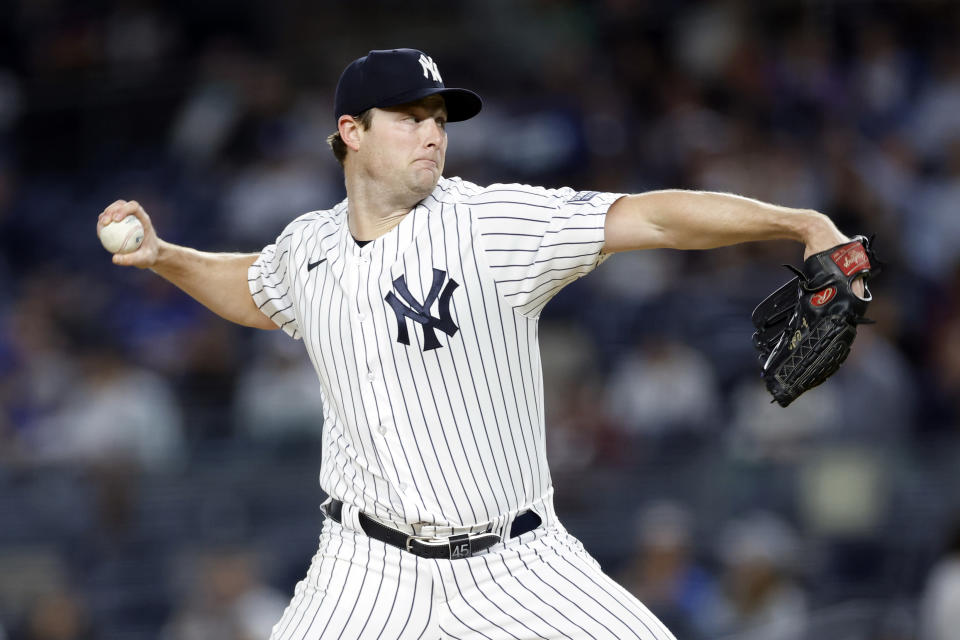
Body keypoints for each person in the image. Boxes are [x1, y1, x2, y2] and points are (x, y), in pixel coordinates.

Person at [97, 48, 861, 640]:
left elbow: (651, 216)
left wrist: (796, 222)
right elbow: (257, 290)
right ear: (350, 133)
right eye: (409, 115)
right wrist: (166, 257)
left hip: (517, 561)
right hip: (364, 568)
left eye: (439, 116)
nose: (433, 131)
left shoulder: (491, 226)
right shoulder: (310, 247)